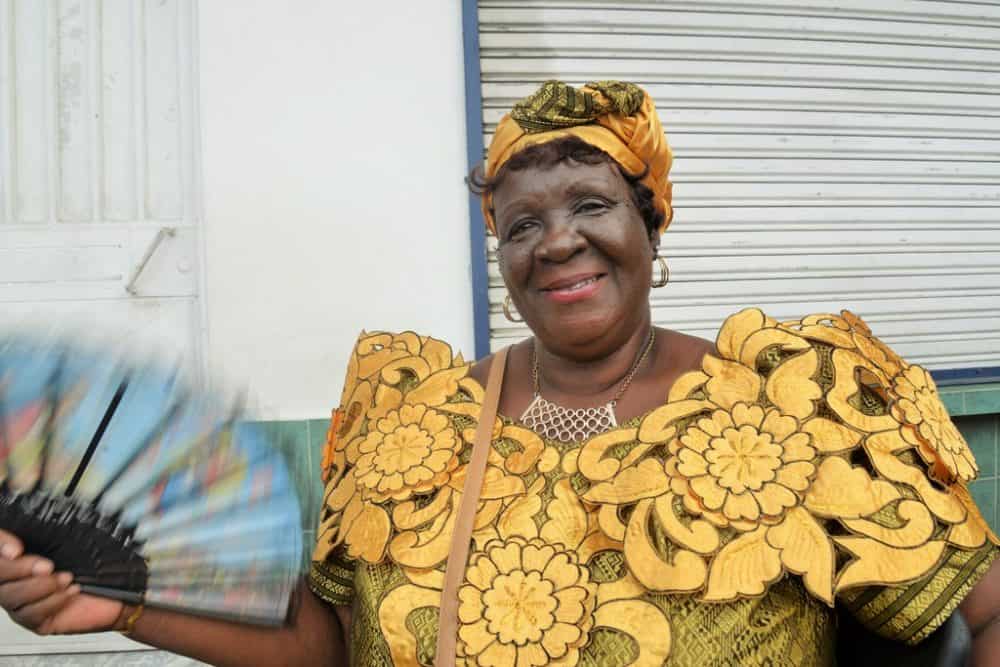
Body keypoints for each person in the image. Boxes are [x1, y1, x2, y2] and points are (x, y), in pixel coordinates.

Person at [1, 79, 999, 666]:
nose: (556, 241)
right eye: (521, 223)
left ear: (649, 225)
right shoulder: (413, 418)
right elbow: (333, 645)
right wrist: (124, 606)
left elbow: (983, 610)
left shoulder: (794, 401)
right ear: (501, 255)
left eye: (589, 205)